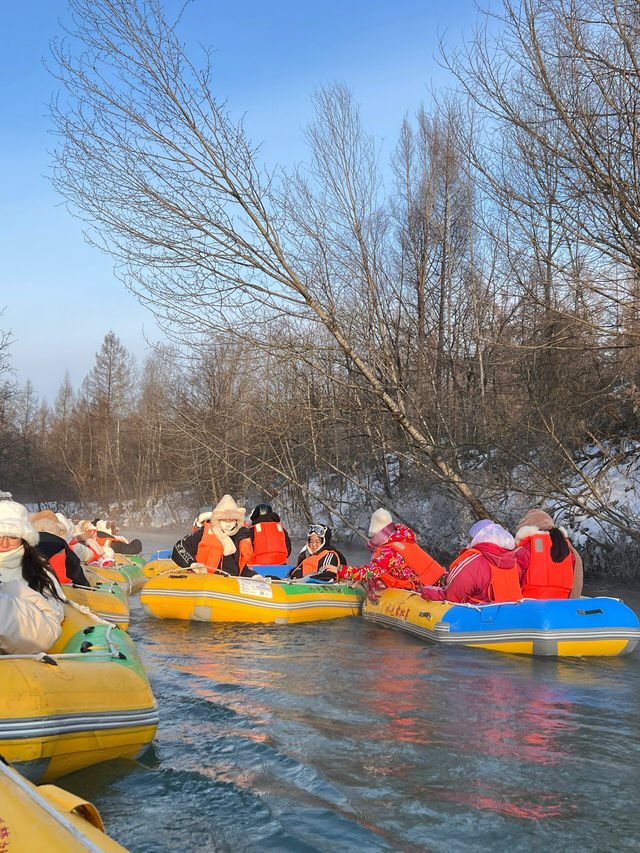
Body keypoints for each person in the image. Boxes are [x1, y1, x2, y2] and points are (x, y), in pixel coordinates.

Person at [0, 500, 65, 654]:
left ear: (24, 538)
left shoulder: (37, 569)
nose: (4, 544)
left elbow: (54, 612)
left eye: (13, 537)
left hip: (22, 648)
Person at [337, 509, 444, 594]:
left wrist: (339, 570)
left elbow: (370, 571)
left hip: (428, 590)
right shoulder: (403, 540)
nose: (371, 542)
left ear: (377, 534)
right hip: (440, 583)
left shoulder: (389, 551)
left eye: (372, 537)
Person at [420, 520, 521, 604]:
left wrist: (426, 591)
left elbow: (453, 597)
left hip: (477, 615)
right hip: (508, 613)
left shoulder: (474, 562)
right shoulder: (513, 561)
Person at [172, 494, 258, 577]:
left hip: (230, 584)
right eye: (224, 520)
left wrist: (252, 575)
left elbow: (240, 568)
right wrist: (192, 564)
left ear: (236, 521)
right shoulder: (204, 532)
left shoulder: (241, 536)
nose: (228, 524)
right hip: (203, 579)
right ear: (218, 519)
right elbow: (179, 547)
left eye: (231, 520)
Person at [514, 509, 583, 598]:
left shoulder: (528, 548)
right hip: (562, 602)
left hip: (530, 603)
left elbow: (512, 577)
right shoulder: (565, 548)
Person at [30, 513, 89, 586]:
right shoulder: (63, 547)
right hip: (65, 588)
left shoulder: (25, 549)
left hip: (36, 588)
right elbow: (77, 574)